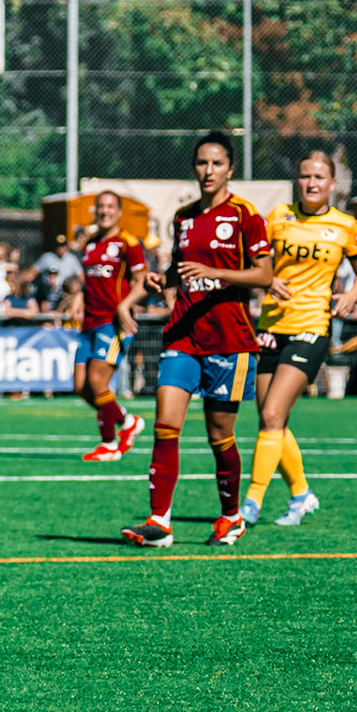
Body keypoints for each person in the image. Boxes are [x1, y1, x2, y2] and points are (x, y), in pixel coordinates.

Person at [123, 132, 274, 549]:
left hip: (230, 338)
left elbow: (263, 274)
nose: (208, 171)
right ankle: (159, 521)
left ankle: (230, 517)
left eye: (217, 164)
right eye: (202, 163)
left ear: (230, 168)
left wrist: (218, 273)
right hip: (184, 334)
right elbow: (179, 268)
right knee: (165, 425)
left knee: (218, 436)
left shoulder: (246, 215)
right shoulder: (184, 216)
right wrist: (162, 280)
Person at [241, 148, 357, 526]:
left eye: (319, 177)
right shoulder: (277, 218)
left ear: (332, 183)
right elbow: (256, 262)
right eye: (305, 176)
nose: (311, 183)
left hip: (311, 328)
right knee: (273, 422)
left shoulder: (346, 225)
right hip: (270, 327)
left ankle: (250, 503)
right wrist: (267, 278)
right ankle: (301, 495)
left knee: (271, 414)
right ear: (296, 181)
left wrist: (350, 296)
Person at [73, 191, 149, 461]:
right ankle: (127, 421)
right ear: (95, 211)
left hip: (114, 323)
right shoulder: (90, 244)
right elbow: (90, 281)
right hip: (89, 322)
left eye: (110, 207)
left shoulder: (127, 242)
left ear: (118, 212)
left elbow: (143, 281)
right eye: (100, 207)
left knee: (97, 381)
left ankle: (109, 444)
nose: (104, 211)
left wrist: (124, 305)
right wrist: (80, 298)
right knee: (80, 386)